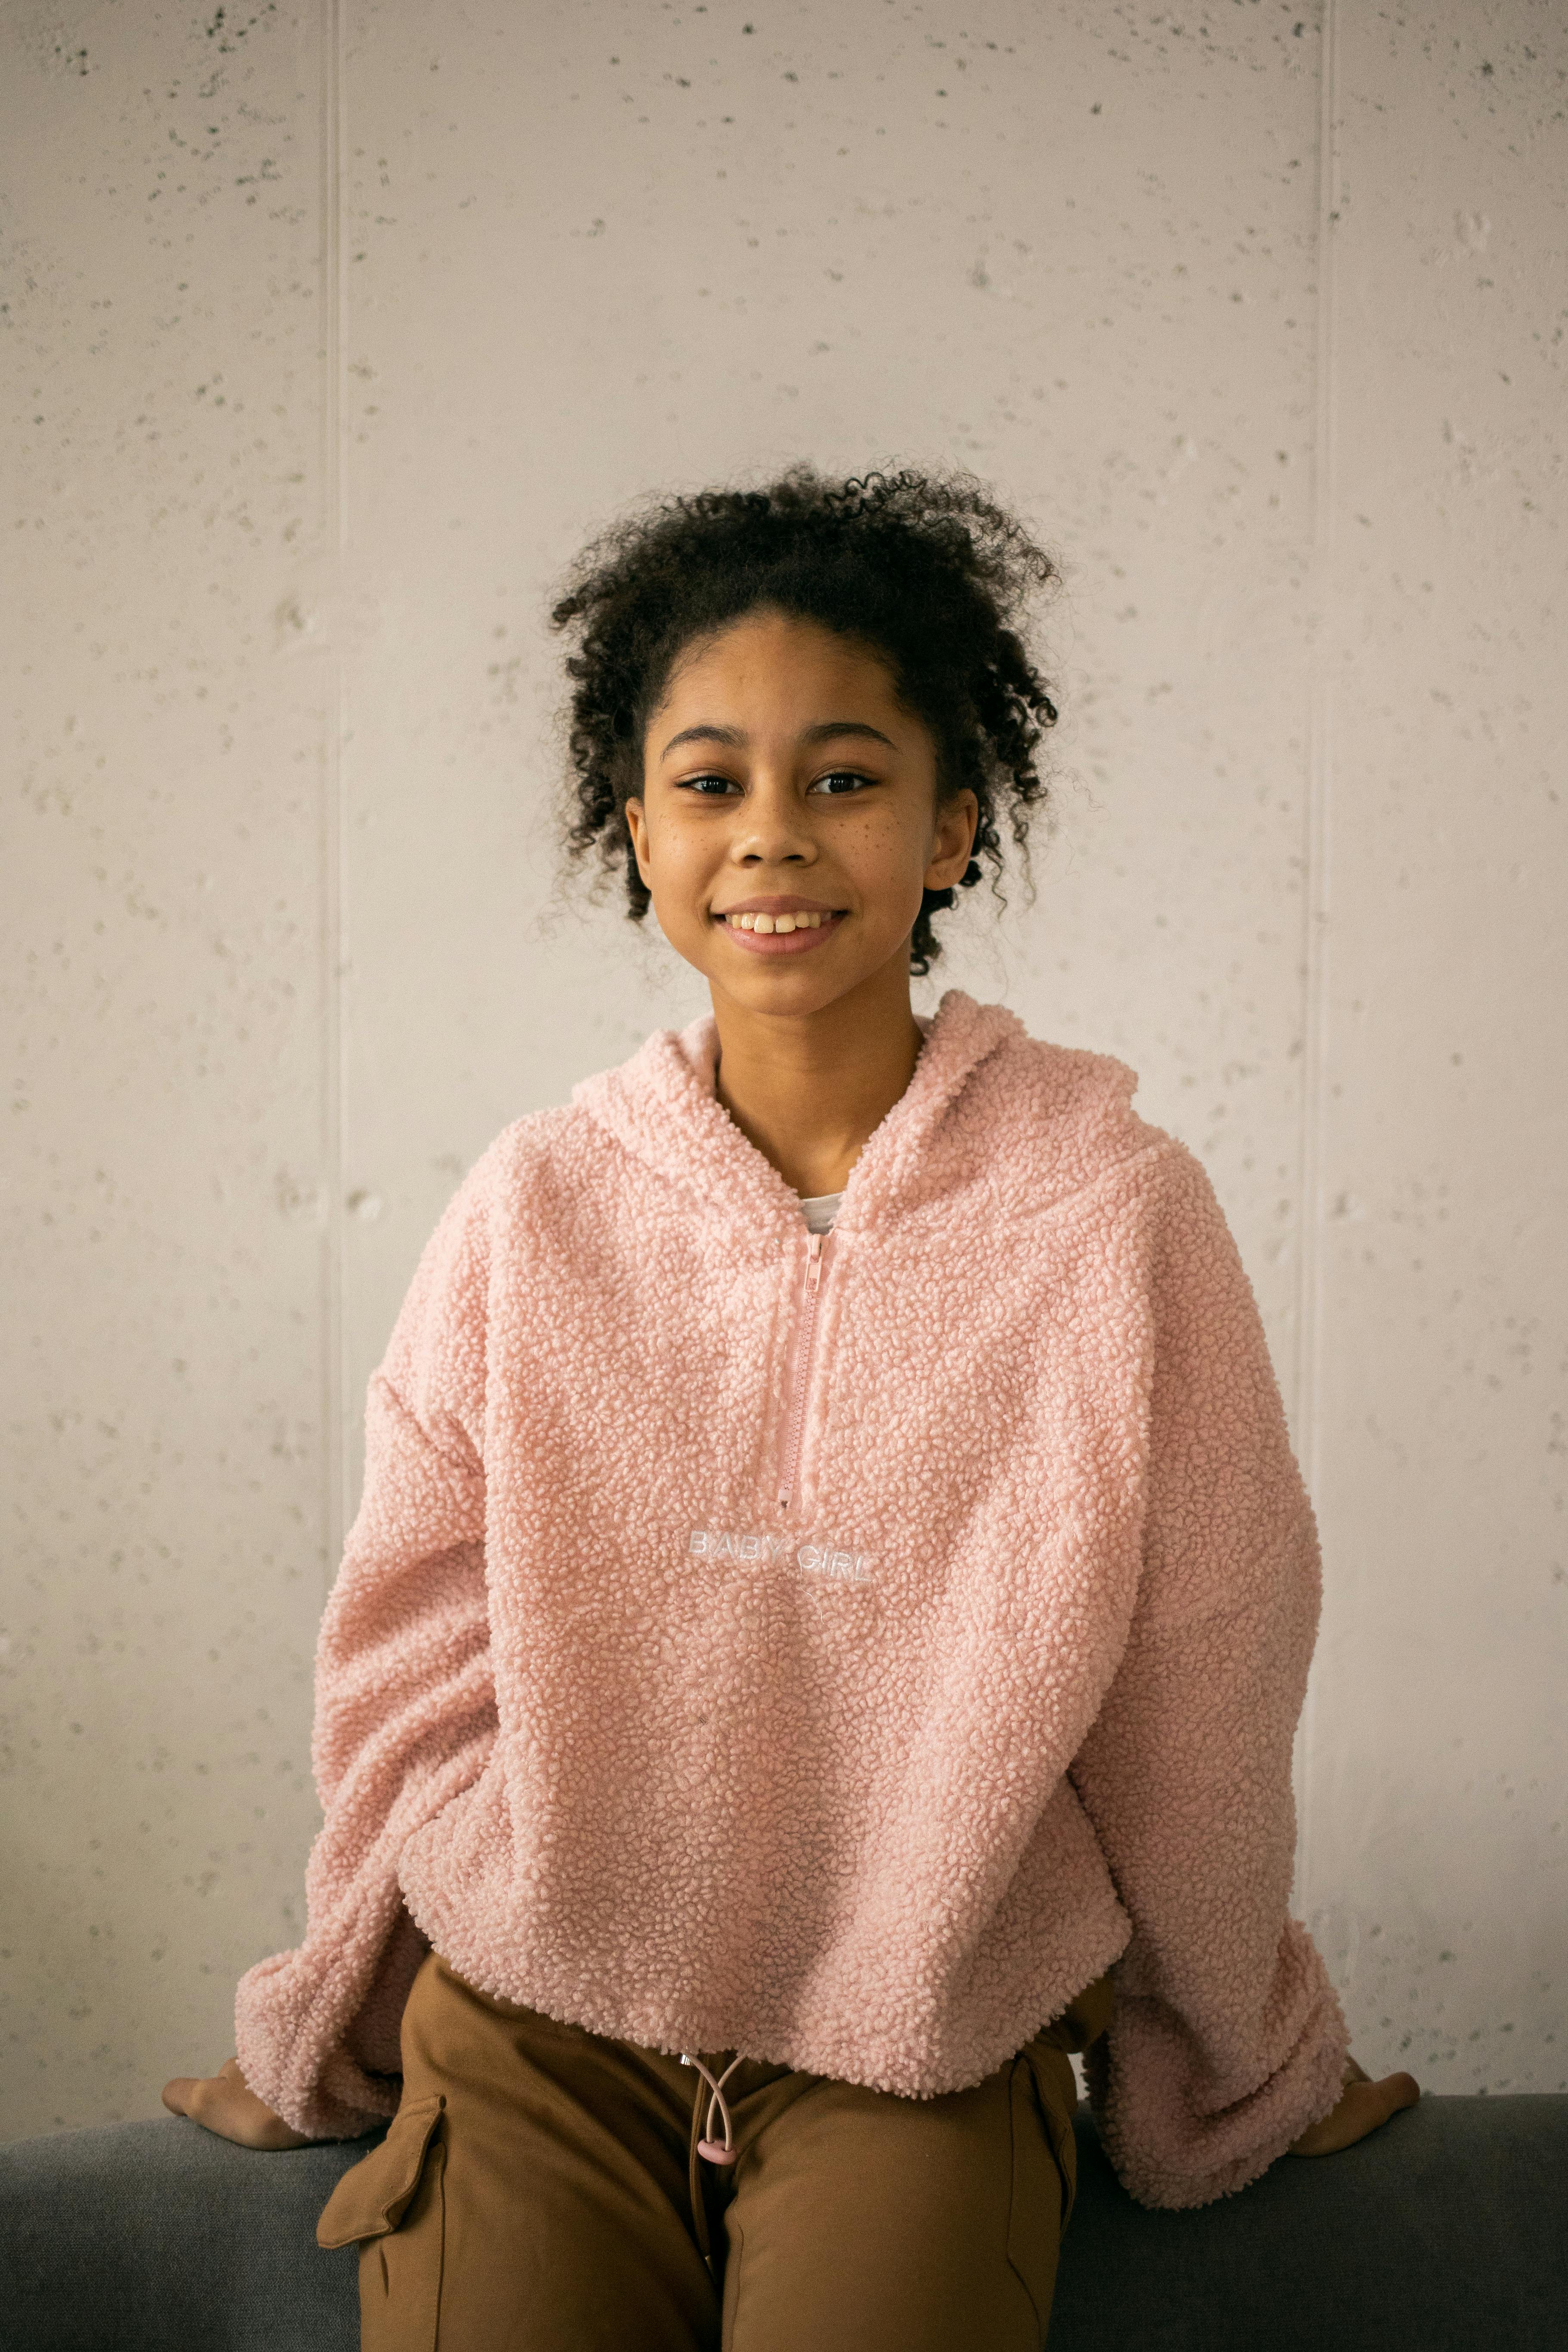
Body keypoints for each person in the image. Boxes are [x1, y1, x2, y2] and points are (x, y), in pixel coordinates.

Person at [164, 469, 1418, 2350]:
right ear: (639, 834)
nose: (774, 837)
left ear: (951, 826)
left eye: (842, 778)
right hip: (540, 2020)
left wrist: (1237, 2047)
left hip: (926, 2035)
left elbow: (1206, 1667)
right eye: (709, 783)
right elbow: (413, 1653)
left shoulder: (1114, 1216)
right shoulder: (536, 1205)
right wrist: (333, 2000)